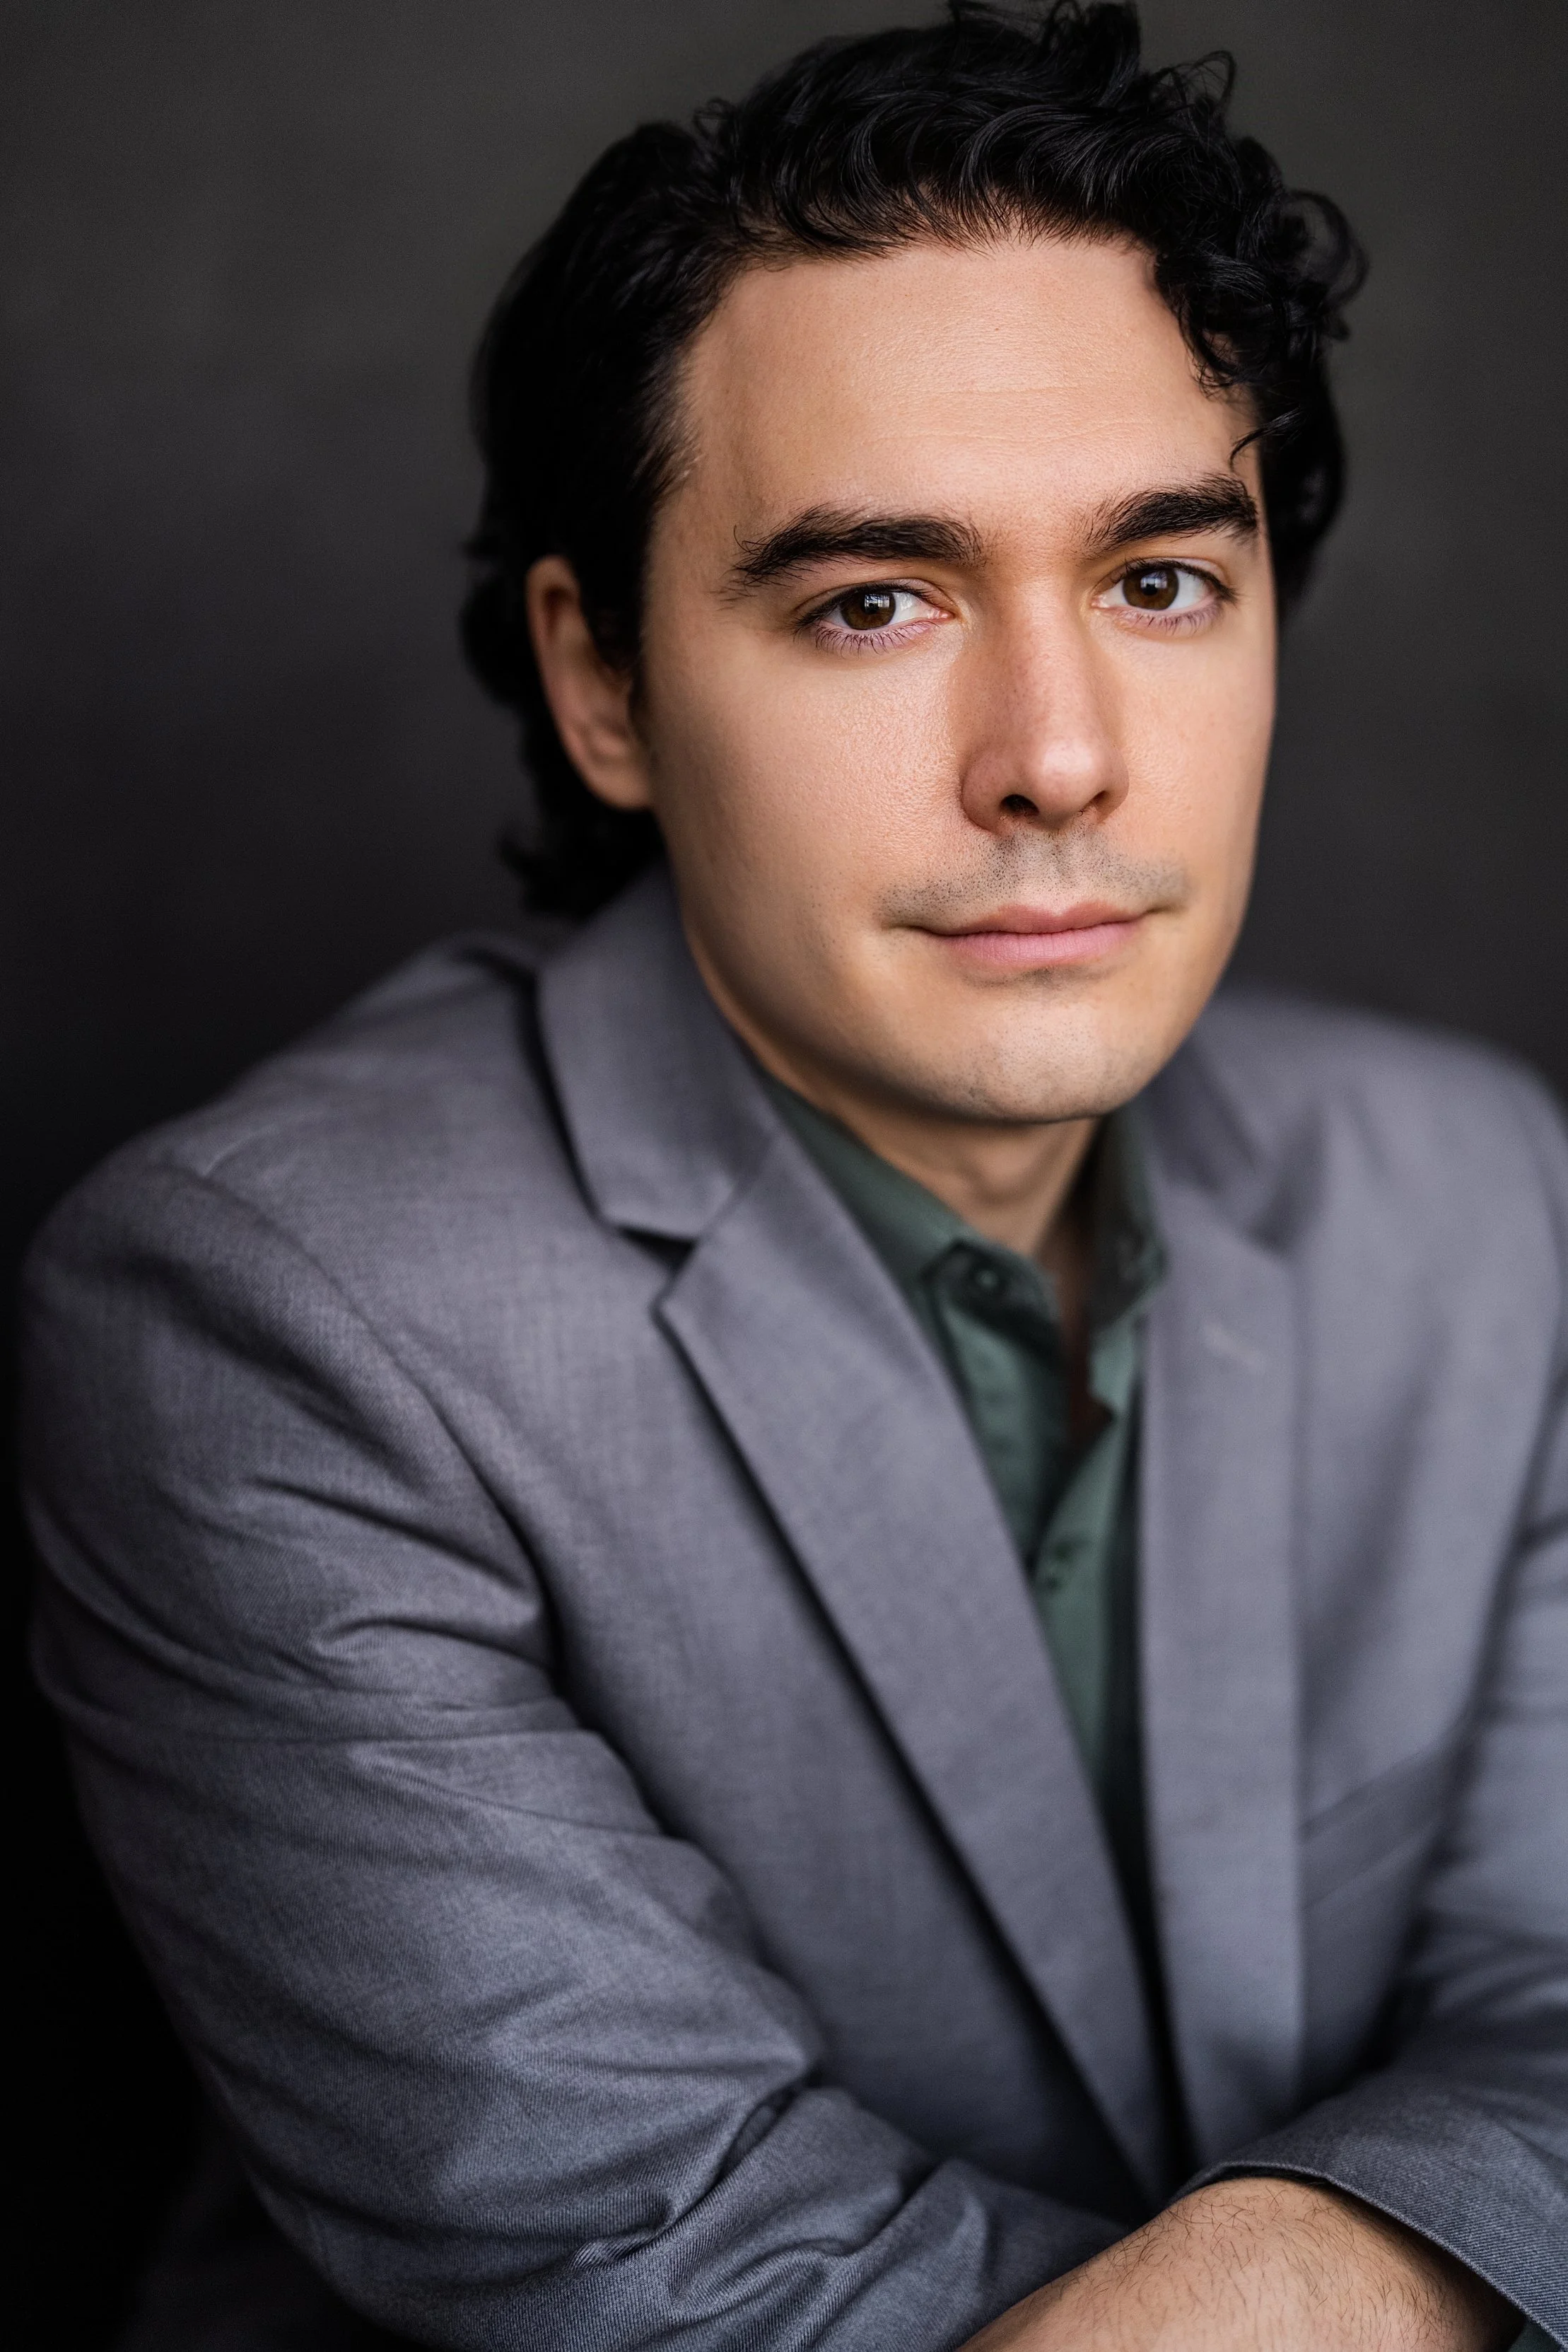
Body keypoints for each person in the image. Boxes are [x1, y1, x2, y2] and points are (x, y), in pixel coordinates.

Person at [23, 5, 1566, 2346]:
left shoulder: (1487, 1193)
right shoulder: (266, 1313)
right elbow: (678, 2282)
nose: (1055, 755)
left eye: (1161, 579)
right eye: (877, 600)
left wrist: (1310, 2249)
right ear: (604, 680)